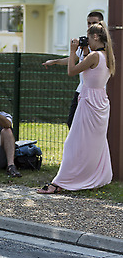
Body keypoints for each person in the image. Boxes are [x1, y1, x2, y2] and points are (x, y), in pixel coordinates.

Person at [38, 21, 114, 194]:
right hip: (101, 101)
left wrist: (73, 51)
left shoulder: (94, 56)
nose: (86, 40)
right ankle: (93, 177)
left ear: (95, 37)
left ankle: (61, 182)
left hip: (89, 101)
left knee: (73, 143)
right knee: (94, 145)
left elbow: (72, 71)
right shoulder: (107, 56)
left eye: (88, 37)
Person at [42, 12, 104, 128]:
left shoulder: (101, 50)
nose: (91, 26)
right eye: (88, 23)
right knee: (73, 123)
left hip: (95, 92)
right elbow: (73, 59)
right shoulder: (85, 44)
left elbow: (74, 70)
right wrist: (55, 61)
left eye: (94, 23)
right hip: (82, 90)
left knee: (88, 126)